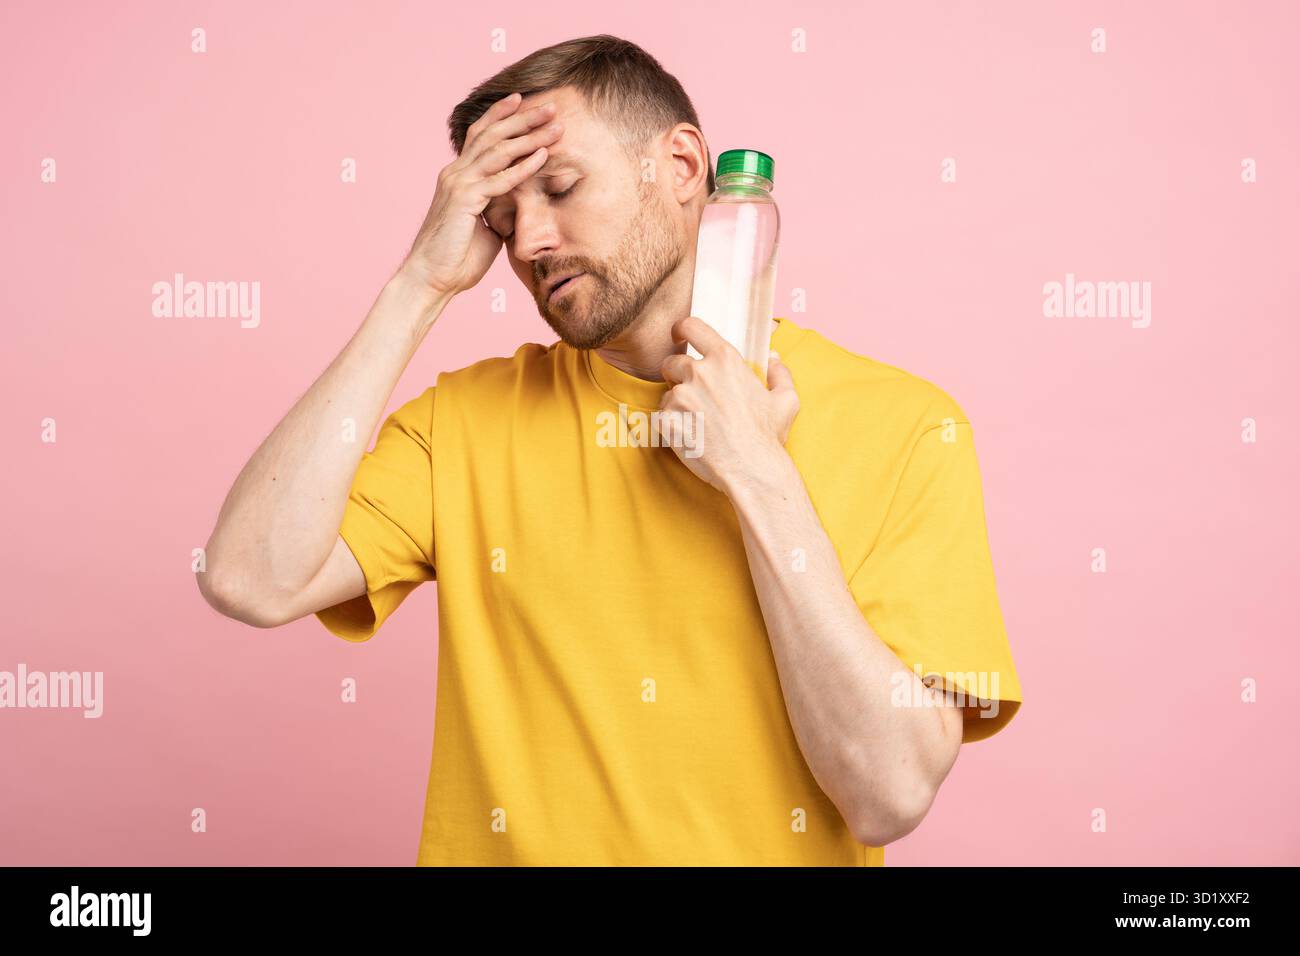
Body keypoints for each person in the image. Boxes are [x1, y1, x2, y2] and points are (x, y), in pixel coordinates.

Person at [196, 34, 1023, 866]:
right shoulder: (465, 422)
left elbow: (889, 794)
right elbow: (248, 578)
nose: (527, 244)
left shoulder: (909, 424)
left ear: (682, 166)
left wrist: (759, 475)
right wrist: (421, 283)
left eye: (560, 187)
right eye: (504, 216)